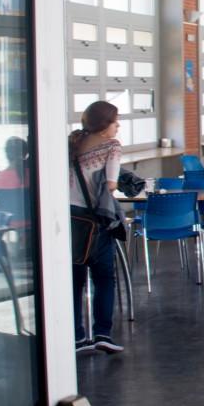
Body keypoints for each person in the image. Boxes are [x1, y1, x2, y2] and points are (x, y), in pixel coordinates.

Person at [69, 101, 125, 355]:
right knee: (104, 278)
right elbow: (111, 184)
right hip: (96, 221)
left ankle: (76, 336)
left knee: (75, 280)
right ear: (104, 126)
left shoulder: (71, 145)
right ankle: (102, 333)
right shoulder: (111, 146)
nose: (118, 126)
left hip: (71, 220)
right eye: (115, 122)